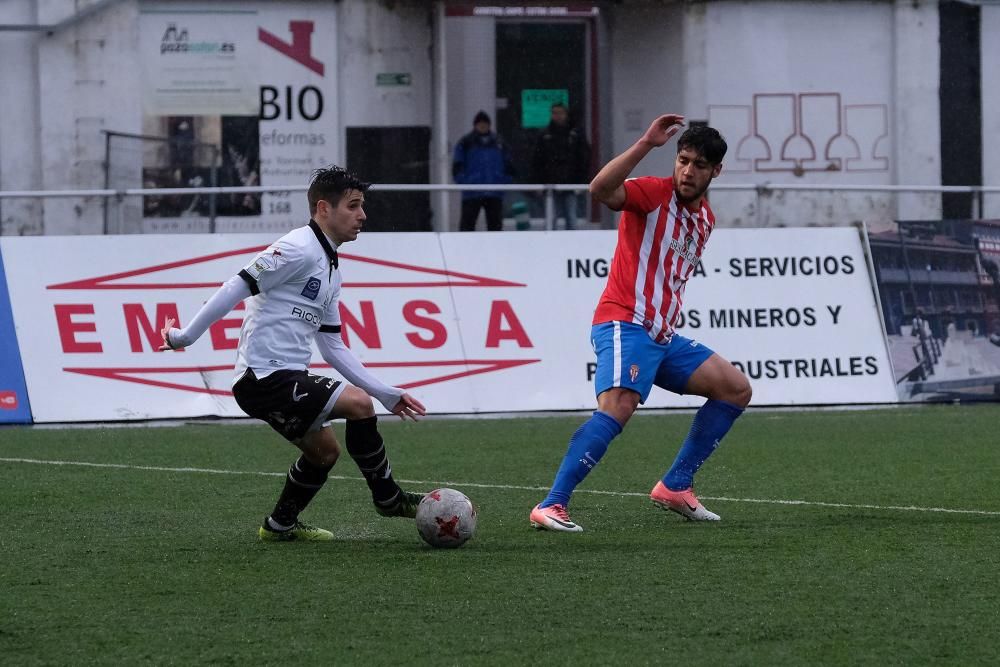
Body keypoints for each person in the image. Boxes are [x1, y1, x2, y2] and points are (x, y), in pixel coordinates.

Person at [158, 165, 427, 541]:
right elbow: (236, 285)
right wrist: (184, 337)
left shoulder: (331, 267)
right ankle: (388, 498)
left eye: (362, 206)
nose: (362, 215)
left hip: (284, 379)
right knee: (358, 405)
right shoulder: (297, 248)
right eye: (353, 206)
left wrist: (387, 393)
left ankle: (280, 525)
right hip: (263, 377)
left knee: (325, 454)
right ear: (323, 208)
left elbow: (332, 346)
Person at [529, 115, 752, 532]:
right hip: (624, 321)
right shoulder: (653, 193)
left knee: (735, 388)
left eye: (699, 165)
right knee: (618, 406)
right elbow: (599, 190)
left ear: (716, 171)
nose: (688, 170)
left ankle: (676, 486)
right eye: (683, 160)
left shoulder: (706, 220)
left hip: (661, 335)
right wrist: (647, 143)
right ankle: (551, 504)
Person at [531, 103, 591, 230]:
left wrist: (582, 181)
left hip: (571, 183)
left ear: (566, 114)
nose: (558, 116)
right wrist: (538, 182)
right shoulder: (545, 135)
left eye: (560, 113)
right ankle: (550, 245)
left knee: (571, 218)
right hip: (550, 183)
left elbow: (584, 159)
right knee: (551, 219)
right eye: (555, 113)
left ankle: (573, 245)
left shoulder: (575, 135)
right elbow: (537, 161)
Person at [452, 110, 514, 231]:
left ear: (489, 125)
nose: (483, 125)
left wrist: (502, 181)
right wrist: (466, 183)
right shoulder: (466, 143)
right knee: (467, 227)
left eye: (485, 123)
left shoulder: (499, 143)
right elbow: (457, 167)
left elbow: (509, 166)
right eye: (480, 123)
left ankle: (494, 249)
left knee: (495, 227)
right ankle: (464, 248)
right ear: (475, 125)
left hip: (494, 191)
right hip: (472, 192)